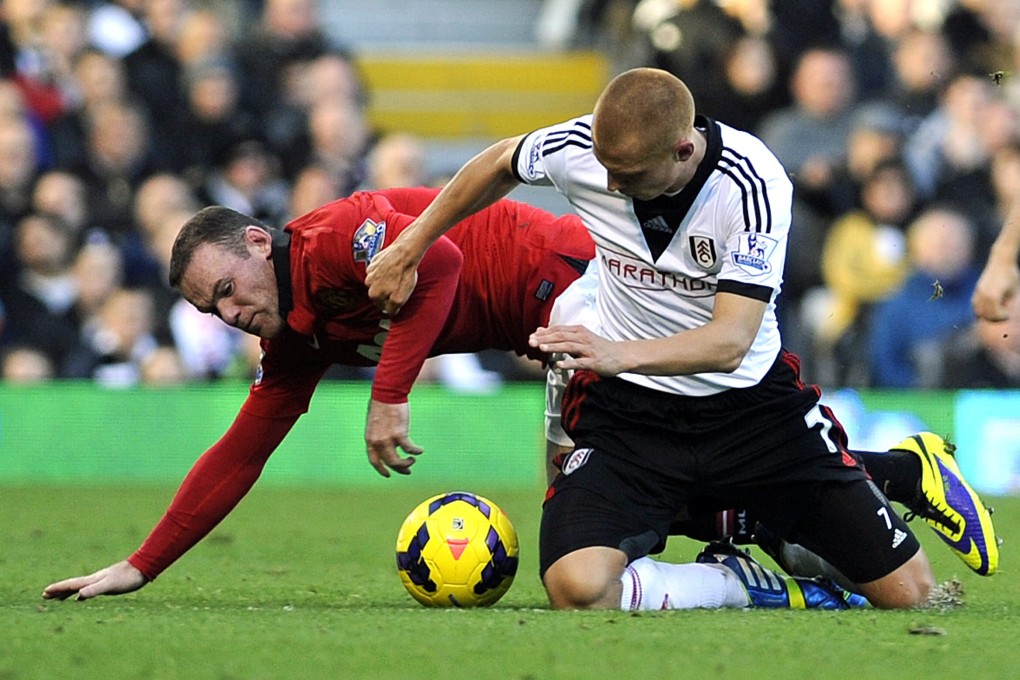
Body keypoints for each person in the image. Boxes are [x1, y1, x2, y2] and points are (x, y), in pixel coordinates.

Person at [42, 186, 869, 610]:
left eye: (226, 289)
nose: (227, 314)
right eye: (207, 310)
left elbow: (437, 266)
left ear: (259, 243)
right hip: (542, 327)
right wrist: (141, 565)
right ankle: (842, 499)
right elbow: (242, 450)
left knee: (615, 486)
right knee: (604, 497)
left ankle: (819, 517)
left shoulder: (334, 244)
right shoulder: (291, 334)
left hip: (568, 284)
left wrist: (388, 397)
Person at [364, 68, 997, 609]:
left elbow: (730, 339)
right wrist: (412, 245)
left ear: (682, 151)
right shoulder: (586, 148)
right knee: (576, 588)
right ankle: (738, 583)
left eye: (629, 174)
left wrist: (613, 353)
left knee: (908, 593)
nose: (609, 184)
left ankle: (910, 469)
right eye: (606, 169)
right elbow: (500, 160)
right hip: (630, 415)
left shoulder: (752, 184)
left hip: (750, 410)